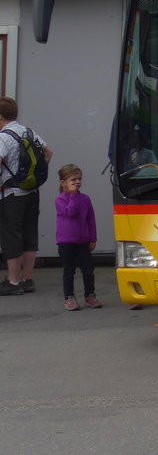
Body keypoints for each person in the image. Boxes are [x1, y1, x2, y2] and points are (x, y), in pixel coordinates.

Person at [0, 96, 52, 296]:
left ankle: (13, 283)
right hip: (31, 191)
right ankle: (28, 279)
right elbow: (48, 152)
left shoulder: (4, 136)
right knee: (29, 234)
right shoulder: (28, 132)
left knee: (11, 236)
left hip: (11, 194)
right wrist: (31, 177)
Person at [55, 164, 99, 310]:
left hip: (83, 241)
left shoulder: (85, 198)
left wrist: (92, 238)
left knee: (88, 269)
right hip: (66, 241)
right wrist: (72, 196)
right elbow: (70, 213)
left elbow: (91, 219)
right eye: (73, 180)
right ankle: (69, 297)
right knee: (69, 270)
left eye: (79, 179)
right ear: (63, 183)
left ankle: (90, 295)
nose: (77, 182)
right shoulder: (60, 199)